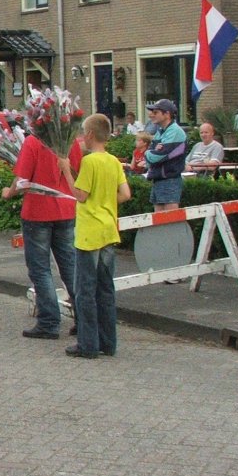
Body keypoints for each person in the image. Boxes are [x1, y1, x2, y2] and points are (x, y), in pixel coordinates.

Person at [57, 113, 130, 359]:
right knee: (106, 289)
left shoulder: (89, 162)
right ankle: (108, 342)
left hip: (89, 232)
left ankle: (88, 344)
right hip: (108, 229)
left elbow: (80, 195)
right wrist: (106, 201)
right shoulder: (113, 161)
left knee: (85, 290)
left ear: (89, 134)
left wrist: (67, 171)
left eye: (83, 133)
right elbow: (125, 194)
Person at [1, 133, 82, 340]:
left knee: (40, 269)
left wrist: (8, 192)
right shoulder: (69, 140)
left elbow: (22, 180)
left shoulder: (33, 141)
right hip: (67, 208)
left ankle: (49, 321)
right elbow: (78, 173)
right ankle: (84, 319)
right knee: (71, 267)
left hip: (38, 211)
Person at [143, 99, 186, 211]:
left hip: (170, 180)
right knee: (158, 219)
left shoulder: (175, 131)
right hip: (158, 179)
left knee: (171, 219)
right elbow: (151, 151)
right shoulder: (161, 131)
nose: (151, 115)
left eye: (155, 112)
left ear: (167, 114)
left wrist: (148, 153)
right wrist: (150, 152)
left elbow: (158, 156)